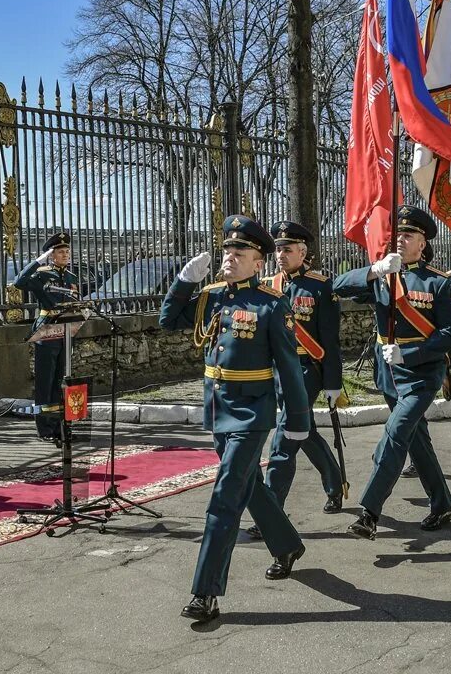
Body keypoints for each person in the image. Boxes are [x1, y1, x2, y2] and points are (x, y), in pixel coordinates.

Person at [160, 215, 310, 623]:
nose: (230, 256)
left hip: (252, 412)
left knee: (226, 496)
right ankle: (286, 545)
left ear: (259, 261)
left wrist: (297, 417)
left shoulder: (271, 305)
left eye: (240, 251)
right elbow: (168, 320)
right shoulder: (212, 296)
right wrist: (184, 281)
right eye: (227, 249)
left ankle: (205, 592)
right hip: (218, 407)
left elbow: (289, 368)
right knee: (251, 487)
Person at [334, 205, 451, 541]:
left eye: (409, 235)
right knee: (416, 441)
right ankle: (443, 502)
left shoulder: (438, 283)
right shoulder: (384, 275)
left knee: (396, 433)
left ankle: (369, 513)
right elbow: (337, 287)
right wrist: (373, 270)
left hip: (421, 374)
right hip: (388, 374)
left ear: (423, 243)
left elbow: (449, 335)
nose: (401, 239)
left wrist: (410, 352)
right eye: (398, 234)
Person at [244, 220, 344, 543]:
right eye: (278, 249)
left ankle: (270, 513)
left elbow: (330, 340)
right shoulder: (267, 284)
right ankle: (335, 481)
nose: (281, 255)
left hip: (306, 370)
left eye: (288, 249)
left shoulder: (320, 286)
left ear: (303, 252)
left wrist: (333, 382)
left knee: (286, 437)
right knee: (305, 432)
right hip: (274, 370)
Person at [13, 232, 80, 444]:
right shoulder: (42, 274)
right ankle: (45, 428)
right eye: (60, 252)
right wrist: (37, 262)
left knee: (61, 381)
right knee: (46, 381)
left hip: (65, 330)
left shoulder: (71, 278)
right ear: (51, 255)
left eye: (67, 251)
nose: (65, 255)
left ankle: (61, 426)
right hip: (47, 330)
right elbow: (19, 282)